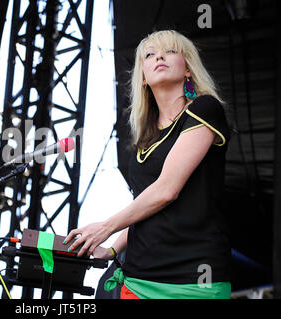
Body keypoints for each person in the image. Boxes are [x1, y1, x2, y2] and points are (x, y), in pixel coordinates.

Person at [64, 30, 232, 299]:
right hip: (137, 278)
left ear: (187, 68)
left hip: (191, 279)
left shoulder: (204, 109)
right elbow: (145, 206)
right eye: (150, 55)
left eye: (170, 51)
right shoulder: (146, 138)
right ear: (143, 77)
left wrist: (105, 227)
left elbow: (167, 190)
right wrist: (111, 250)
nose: (159, 57)